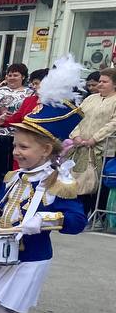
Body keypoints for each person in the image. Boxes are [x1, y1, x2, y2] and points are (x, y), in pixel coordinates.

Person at [0, 58, 88, 313]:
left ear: (46, 149)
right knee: (3, 308)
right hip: (7, 253)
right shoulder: (19, 176)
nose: (17, 151)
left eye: (23, 146)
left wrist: (45, 220)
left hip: (32, 256)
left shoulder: (56, 181)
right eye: (15, 145)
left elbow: (77, 220)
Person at [64, 66, 116, 218]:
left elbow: (113, 123)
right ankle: (79, 214)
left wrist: (94, 139)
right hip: (81, 147)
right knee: (78, 182)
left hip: (103, 150)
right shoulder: (90, 98)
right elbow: (77, 117)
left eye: (104, 82)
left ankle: (98, 216)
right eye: (99, 81)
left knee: (98, 185)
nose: (100, 84)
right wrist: (77, 136)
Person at [0, 63, 32, 201]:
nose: (11, 77)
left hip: (12, 135)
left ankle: (4, 197)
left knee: (7, 169)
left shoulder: (29, 93)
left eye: (15, 75)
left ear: (23, 77)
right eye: (9, 75)